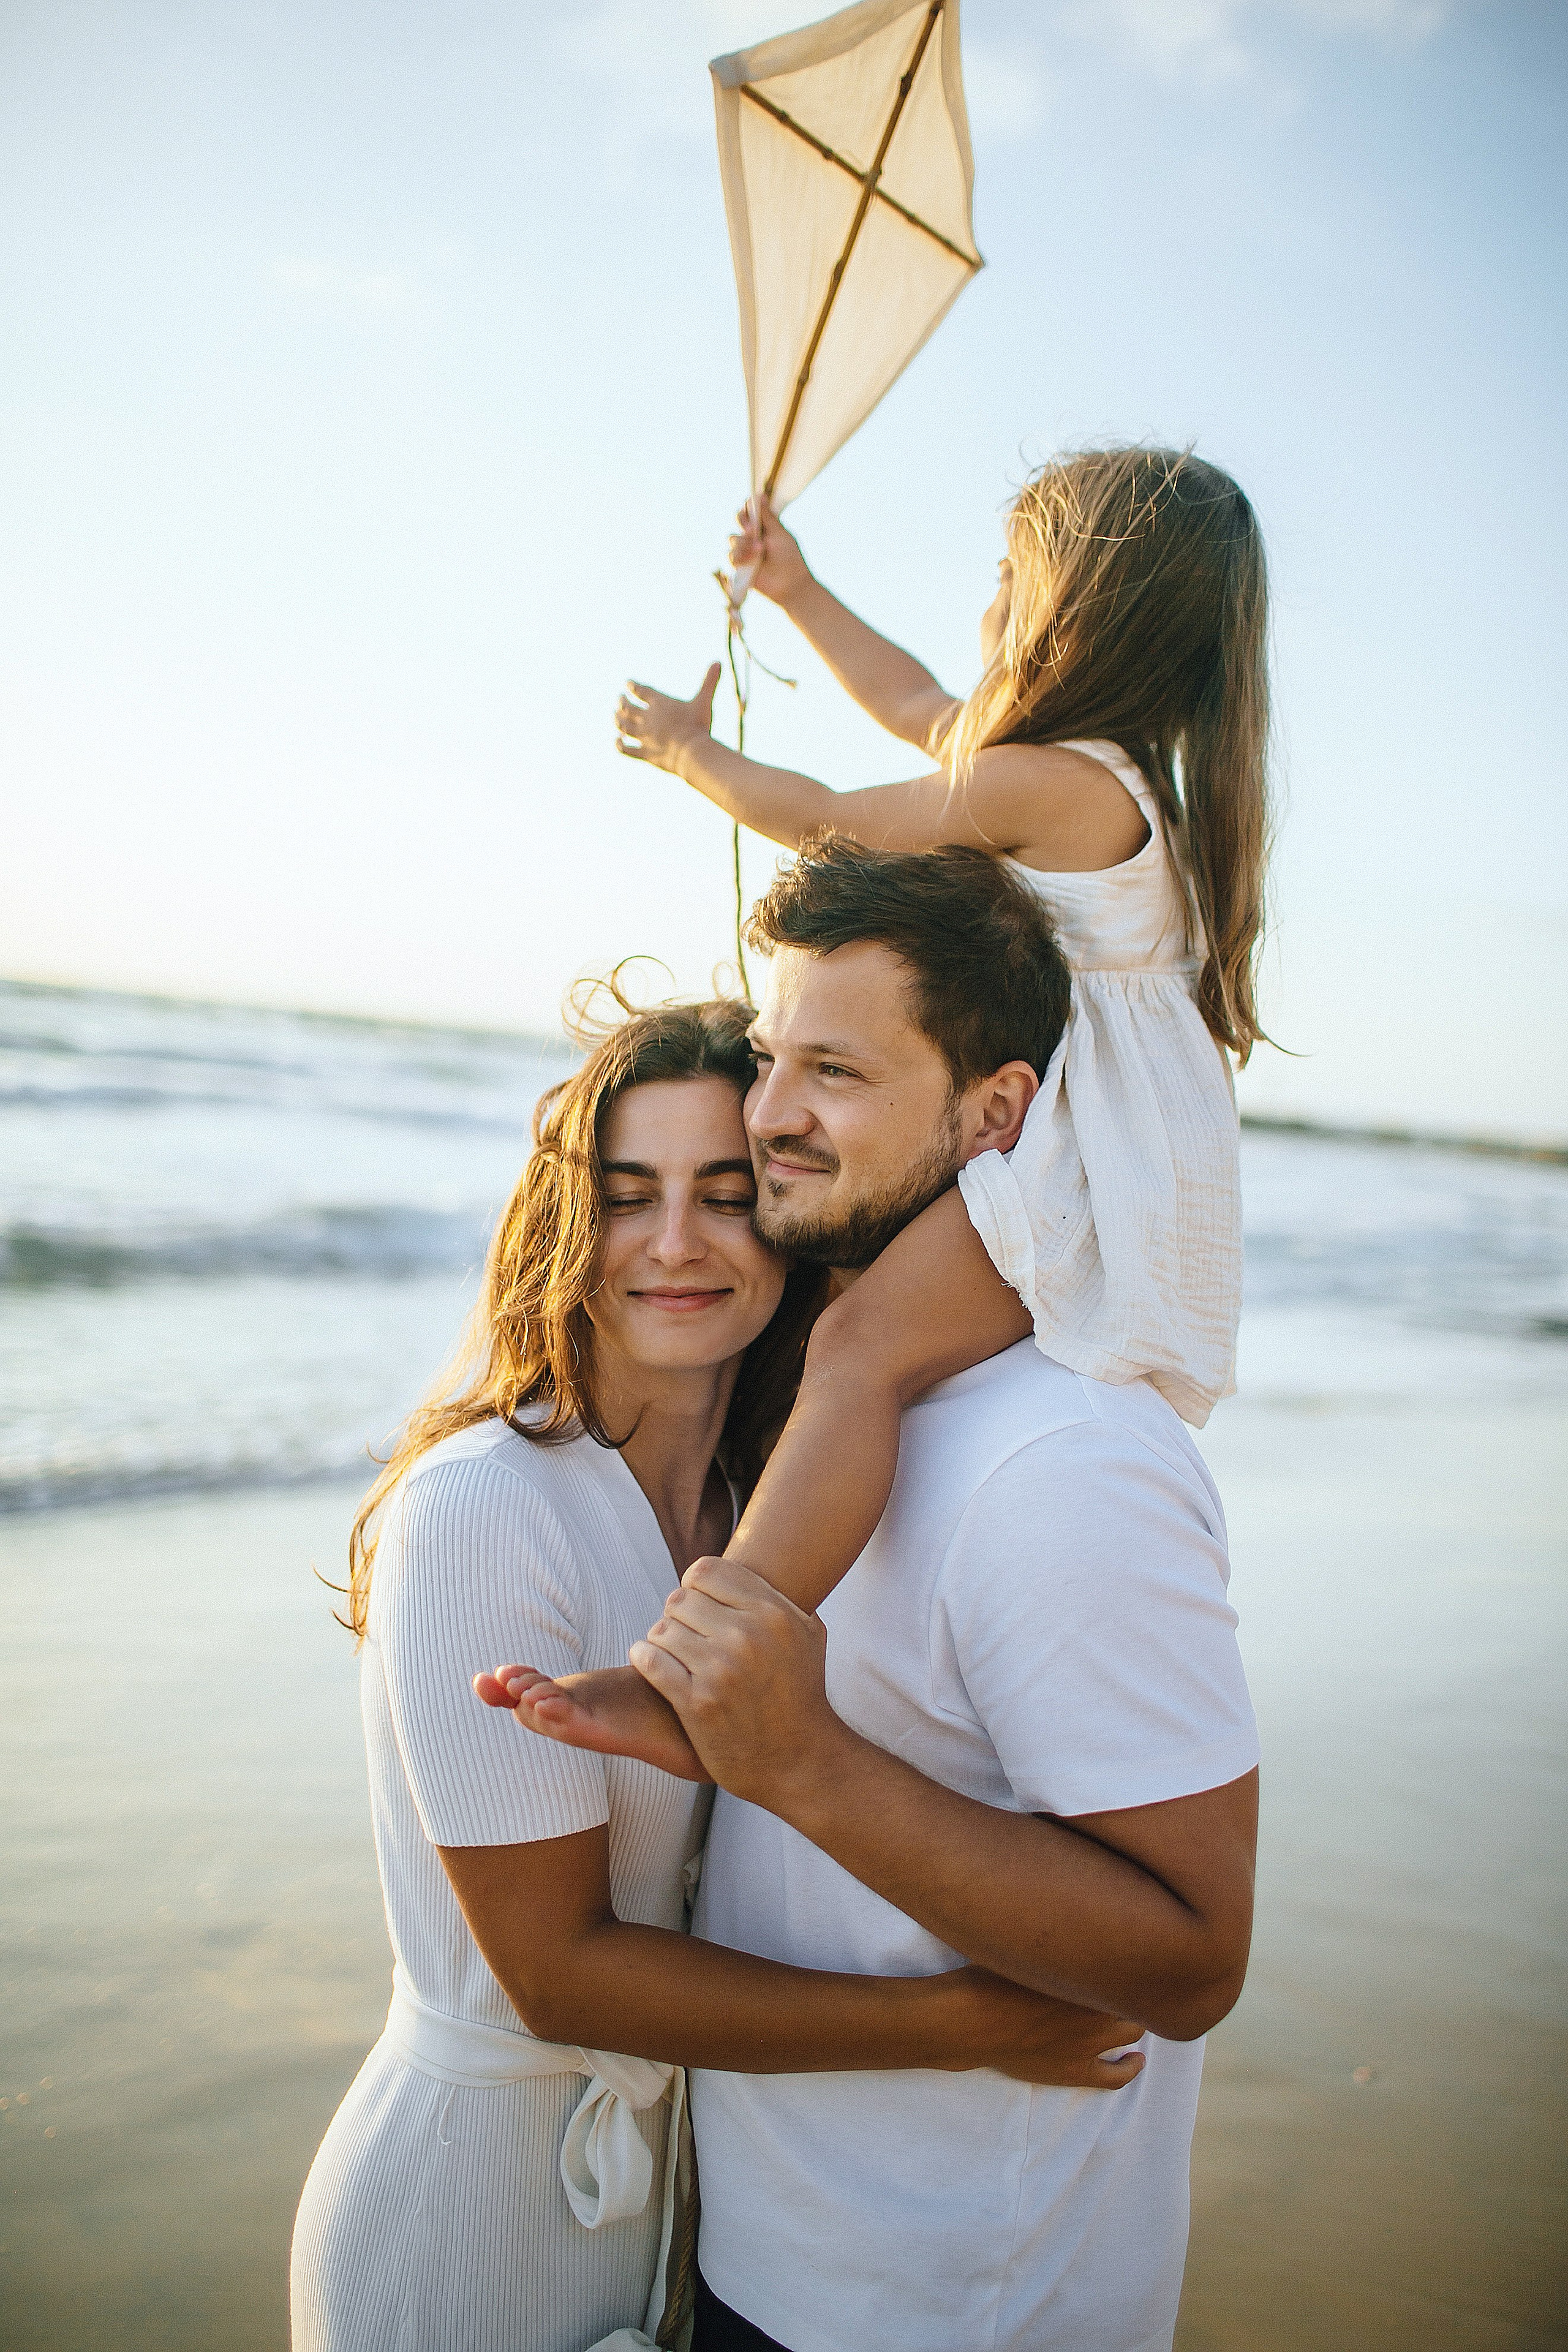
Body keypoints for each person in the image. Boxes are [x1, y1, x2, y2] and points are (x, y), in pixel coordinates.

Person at [290, 993, 1148, 2352]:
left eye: (727, 1193)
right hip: (471, 2213)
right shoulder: (485, 1507)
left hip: (666, 2199)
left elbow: (1013, 1197)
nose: (677, 1245)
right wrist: (966, 2021)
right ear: (565, 1224)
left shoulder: (767, 1518)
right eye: (628, 1197)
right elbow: (556, 1977)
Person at [494, 840, 1261, 2352]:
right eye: (773, 1058)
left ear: (999, 1114)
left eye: (832, 1073)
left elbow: (1190, 1962)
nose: (769, 1111)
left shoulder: (1064, 1463)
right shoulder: (844, 1407)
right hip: (778, 2251)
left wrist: (796, 1763)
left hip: (945, 2305)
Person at [522, 443, 1269, 1777]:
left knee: (861, 1341)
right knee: (861, 1335)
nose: (983, 608)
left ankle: (708, 1669)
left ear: (1066, 606)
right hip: (1087, 1141)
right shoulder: (1096, 776)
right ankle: (726, 1642)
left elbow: (823, 820)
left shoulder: (1053, 783)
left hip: (1066, 1151)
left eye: (1002, 578)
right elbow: (916, 698)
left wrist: (692, 754)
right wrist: (795, 590)